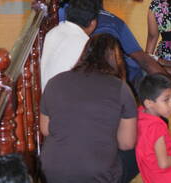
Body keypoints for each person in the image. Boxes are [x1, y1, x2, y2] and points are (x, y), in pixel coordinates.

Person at [60, 0, 171, 106]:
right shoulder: (115, 22)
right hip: (126, 80)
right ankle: (167, 77)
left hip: (97, 83)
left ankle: (166, 74)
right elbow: (143, 59)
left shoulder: (65, 16)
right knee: (146, 79)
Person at [40, 34, 138, 183]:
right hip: (97, 175)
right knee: (138, 150)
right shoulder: (121, 88)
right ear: (117, 60)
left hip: (50, 172)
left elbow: (45, 129)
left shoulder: (55, 81)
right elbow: (126, 143)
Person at [40, 0, 100, 91]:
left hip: (45, 98)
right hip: (64, 102)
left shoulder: (53, 32)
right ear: (93, 23)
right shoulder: (85, 44)